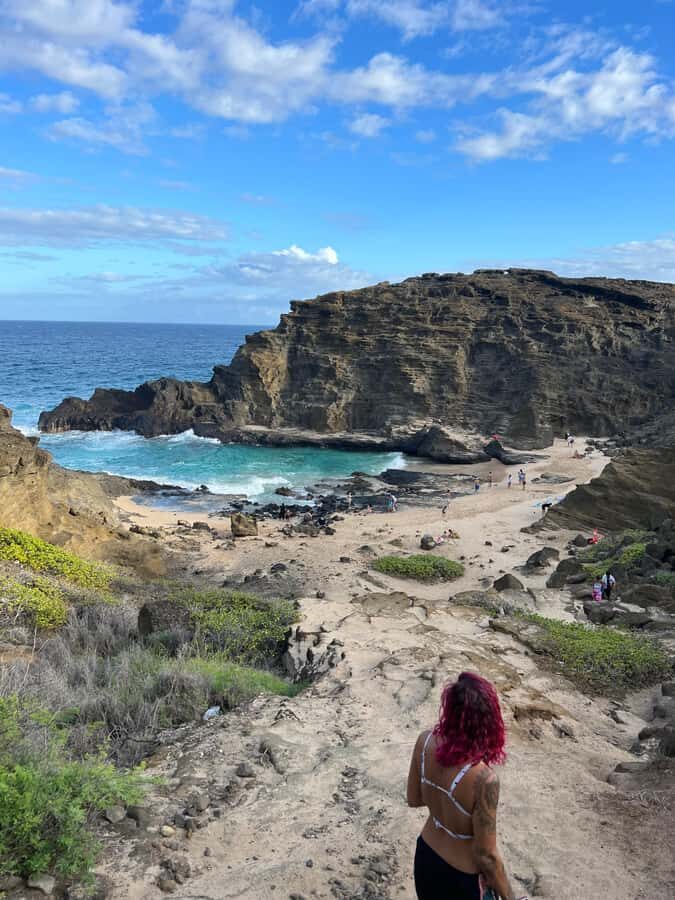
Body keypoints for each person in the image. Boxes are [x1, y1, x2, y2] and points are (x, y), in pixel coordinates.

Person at [407, 673, 525, 900]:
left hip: (426, 856)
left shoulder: (424, 742)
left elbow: (414, 799)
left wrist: (441, 797)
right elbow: (486, 855)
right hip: (461, 878)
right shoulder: (484, 779)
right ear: (489, 722)